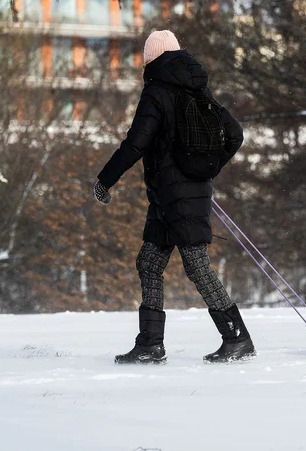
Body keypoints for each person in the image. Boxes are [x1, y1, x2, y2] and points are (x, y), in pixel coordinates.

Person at [94, 30, 255, 364]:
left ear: (151, 59)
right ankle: (150, 344)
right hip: (173, 195)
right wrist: (206, 168)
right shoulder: (198, 88)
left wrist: (104, 180)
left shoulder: (156, 92)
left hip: (176, 194)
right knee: (149, 262)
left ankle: (237, 338)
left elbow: (135, 143)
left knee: (196, 266)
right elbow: (235, 134)